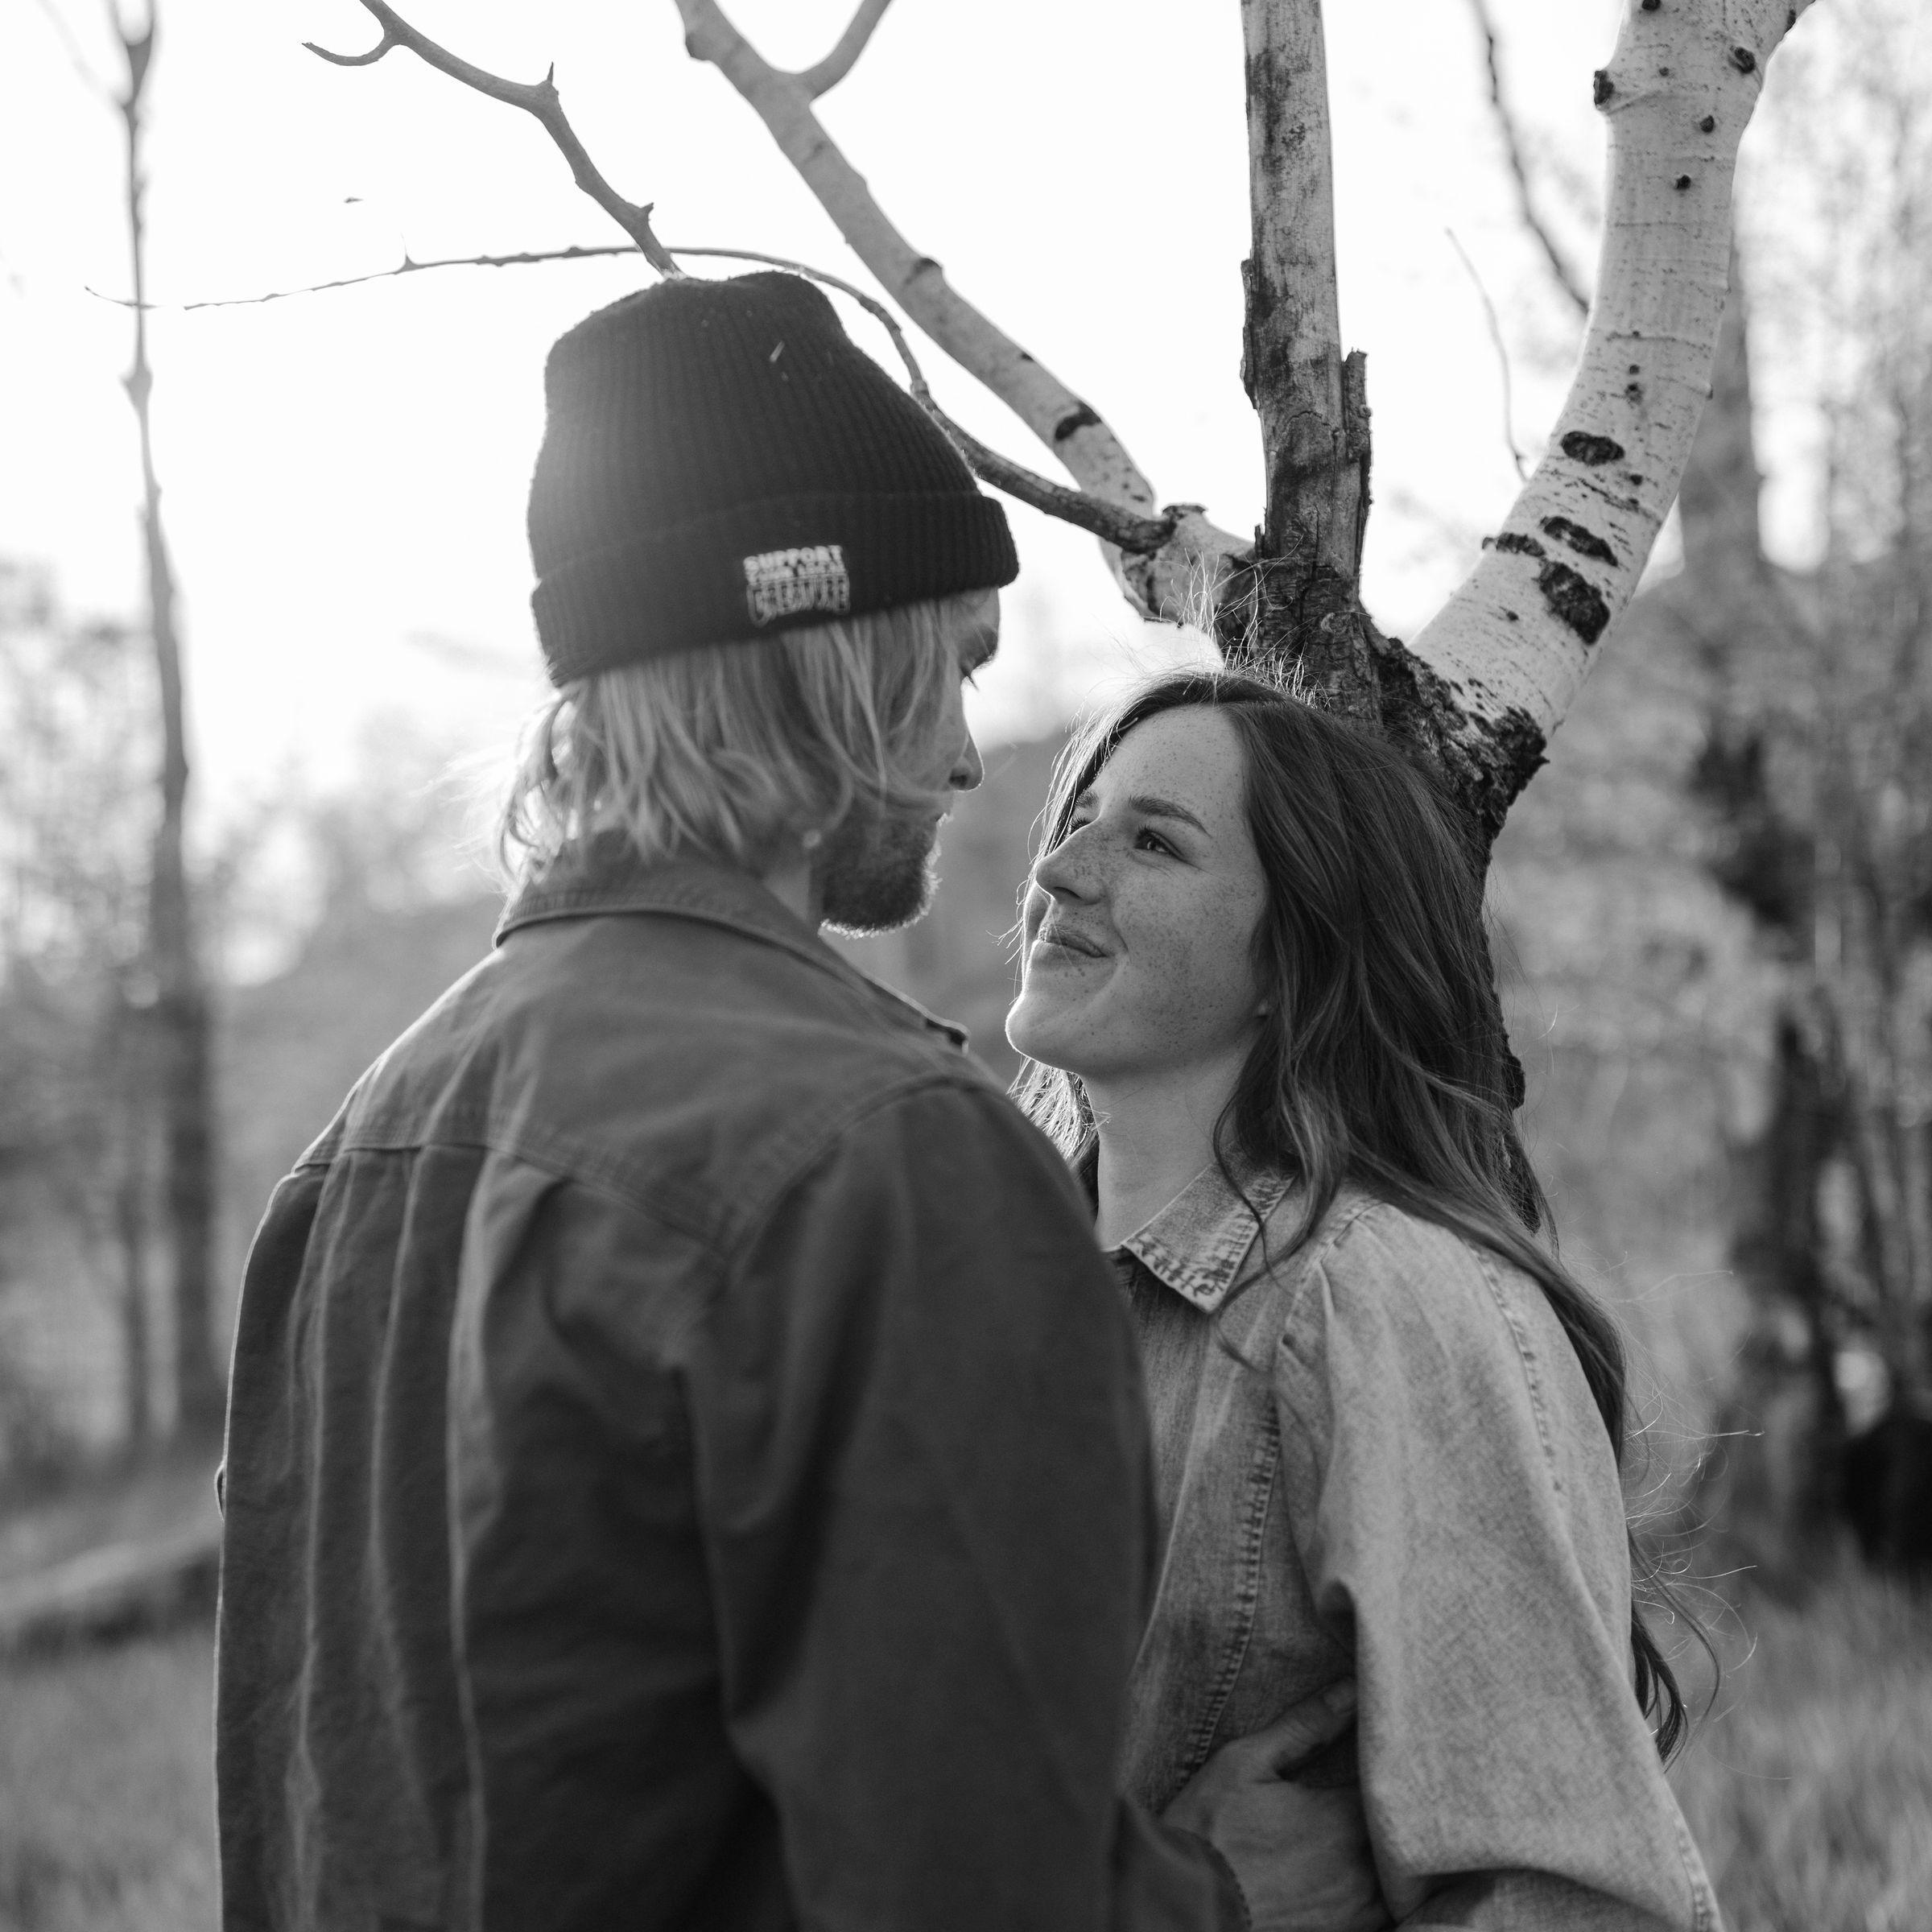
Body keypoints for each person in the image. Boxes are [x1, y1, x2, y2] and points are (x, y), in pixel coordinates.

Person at [213, 275, 1379, 1932]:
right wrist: (1229, 1902)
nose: (968, 754)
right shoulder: (890, 1158)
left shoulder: (363, 1152)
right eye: (953, 667)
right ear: (836, 651)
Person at [1008, 669, 1723, 1930]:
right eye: (1079, 819)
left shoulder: (1380, 1303)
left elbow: (1557, 1897)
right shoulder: (977, 1291)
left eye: (1154, 842)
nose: (1061, 870)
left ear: (1296, 957)